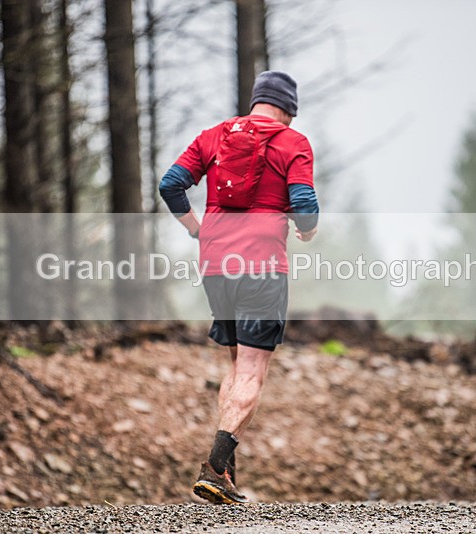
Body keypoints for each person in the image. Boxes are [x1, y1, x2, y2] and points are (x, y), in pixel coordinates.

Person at [159, 71, 319, 504]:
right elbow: (304, 203)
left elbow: (170, 184)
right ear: (288, 109)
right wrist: (307, 229)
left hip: (215, 264)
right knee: (251, 370)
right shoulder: (292, 142)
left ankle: (225, 476)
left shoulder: (213, 135)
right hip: (262, 267)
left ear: (256, 101)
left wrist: (195, 228)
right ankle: (214, 466)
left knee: (234, 366)